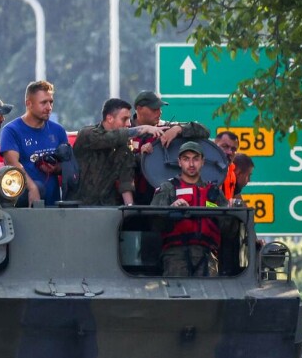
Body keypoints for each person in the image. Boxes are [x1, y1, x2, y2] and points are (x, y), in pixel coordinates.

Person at [70, 98, 165, 206]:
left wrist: (129, 207)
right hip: (79, 205)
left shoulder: (123, 145)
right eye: (124, 119)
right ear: (110, 118)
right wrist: (143, 129)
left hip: (107, 205)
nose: (129, 124)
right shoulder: (88, 134)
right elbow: (109, 138)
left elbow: (126, 175)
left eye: (129, 119)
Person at [151, 142, 225, 276]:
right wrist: (171, 210)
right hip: (176, 255)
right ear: (179, 162)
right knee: (177, 295)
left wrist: (231, 210)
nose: (191, 164)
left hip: (207, 255)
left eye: (195, 159)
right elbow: (154, 223)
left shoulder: (214, 192)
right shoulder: (168, 188)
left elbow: (228, 228)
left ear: (202, 162)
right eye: (186, 159)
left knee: (210, 295)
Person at [131, 90, 211, 203]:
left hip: (162, 198)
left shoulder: (165, 128)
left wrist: (178, 129)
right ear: (139, 109)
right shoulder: (126, 131)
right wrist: (141, 156)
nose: (159, 113)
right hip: (132, 197)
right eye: (154, 109)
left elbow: (204, 130)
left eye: (160, 109)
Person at [0, 80, 69, 206]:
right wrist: (32, 188)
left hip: (53, 206)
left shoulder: (58, 131)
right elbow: (12, 165)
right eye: (43, 103)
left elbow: (68, 166)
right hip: (24, 207)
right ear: (29, 104)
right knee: (38, 186)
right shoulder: (11, 131)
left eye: (51, 102)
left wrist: (55, 168)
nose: (49, 107)